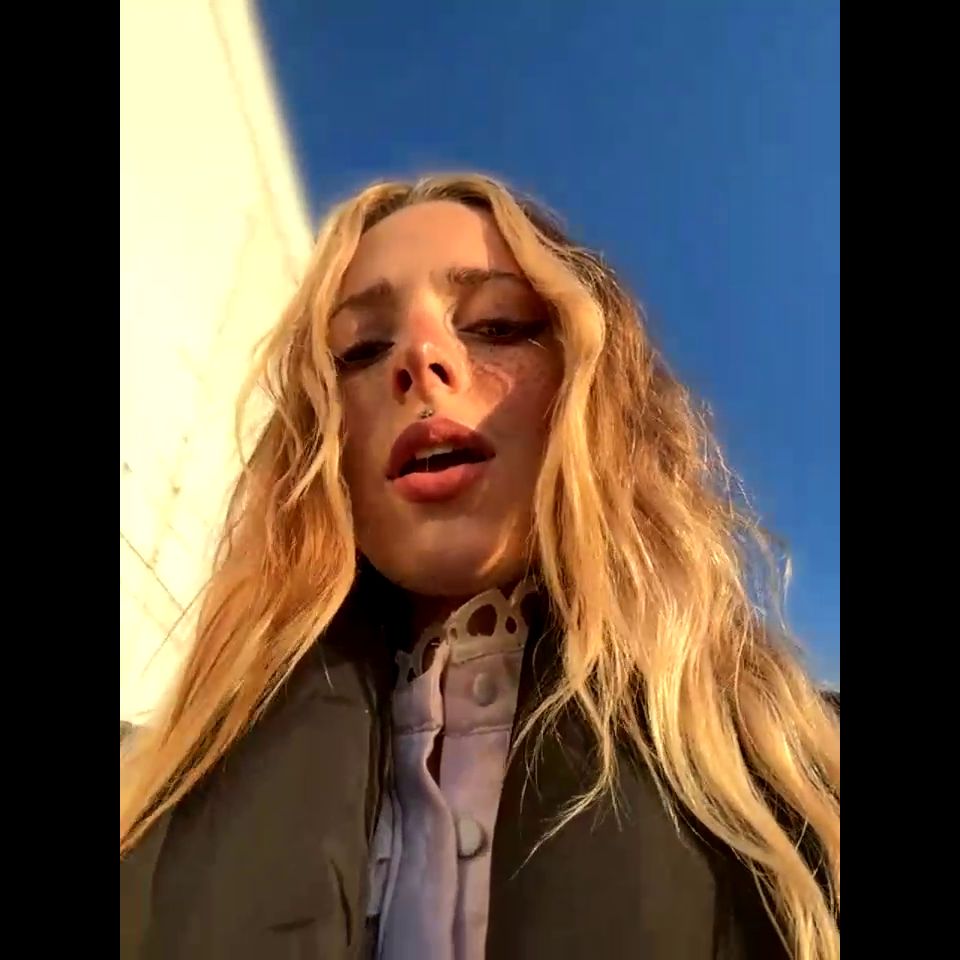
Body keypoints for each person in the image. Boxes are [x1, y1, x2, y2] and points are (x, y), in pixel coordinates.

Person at [119, 174, 840, 960]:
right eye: (361, 349)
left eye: (498, 325)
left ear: (592, 386)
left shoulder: (812, 779)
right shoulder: (141, 805)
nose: (420, 358)